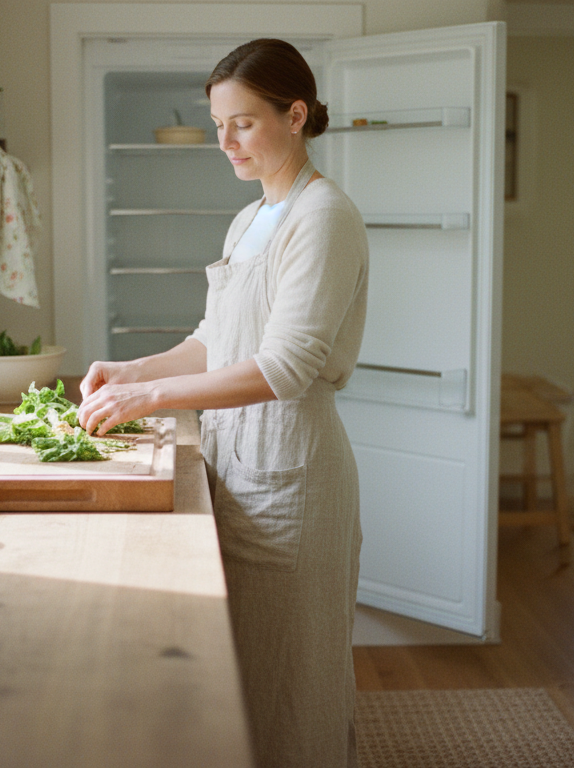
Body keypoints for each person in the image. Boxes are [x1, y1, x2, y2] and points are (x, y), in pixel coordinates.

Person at [77, 38, 368, 768]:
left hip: (293, 481)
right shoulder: (250, 221)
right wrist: (130, 369)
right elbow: (217, 338)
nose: (225, 141)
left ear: (295, 114)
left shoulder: (323, 215)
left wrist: (151, 397)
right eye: (217, 125)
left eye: (241, 122)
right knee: (238, 682)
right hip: (234, 470)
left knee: (291, 688)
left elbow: (286, 366)